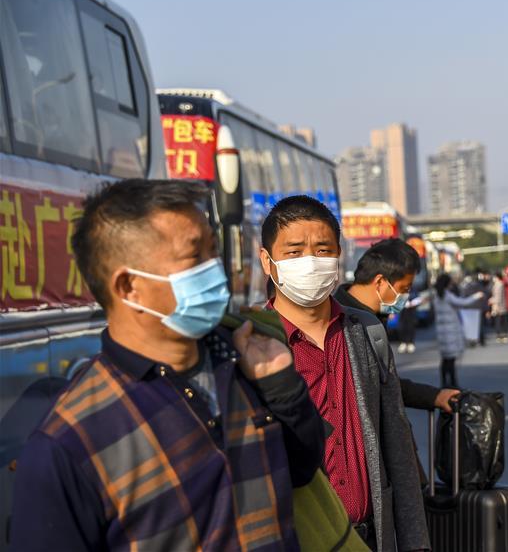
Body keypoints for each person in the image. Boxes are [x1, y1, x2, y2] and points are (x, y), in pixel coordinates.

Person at [11, 180, 325, 551]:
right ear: (129, 287)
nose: (216, 269)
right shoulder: (66, 443)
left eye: (213, 250)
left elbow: (301, 471)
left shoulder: (241, 361)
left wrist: (283, 389)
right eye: (195, 257)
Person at [258, 196, 429, 552]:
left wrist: (415, 542)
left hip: (369, 536)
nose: (310, 262)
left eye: (323, 250)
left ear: (339, 256)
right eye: (294, 252)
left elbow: (396, 445)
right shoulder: (253, 345)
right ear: (267, 261)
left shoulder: (367, 332)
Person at [334, 238, 459, 413]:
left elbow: (386, 383)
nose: (405, 295)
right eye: (404, 288)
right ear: (380, 282)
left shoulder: (375, 317)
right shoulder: (335, 323)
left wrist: (434, 397)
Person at [433, 273, 484, 388]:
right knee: (451, 360)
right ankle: (453, 383)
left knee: (445, 359)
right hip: (450, 331)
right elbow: (463, 303)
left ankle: (445, 383)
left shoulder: (437, 295)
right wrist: (476, 296)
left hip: (442, 332)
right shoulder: (447, 295)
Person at [491, 271, 508, 343]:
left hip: (499, 306)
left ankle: (501, 336)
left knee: (499, 321)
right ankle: (503, 336)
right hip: (501, 305)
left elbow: (498, 297)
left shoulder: (499, 285)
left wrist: (491, 300)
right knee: (502, 321)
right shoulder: (499, 284)